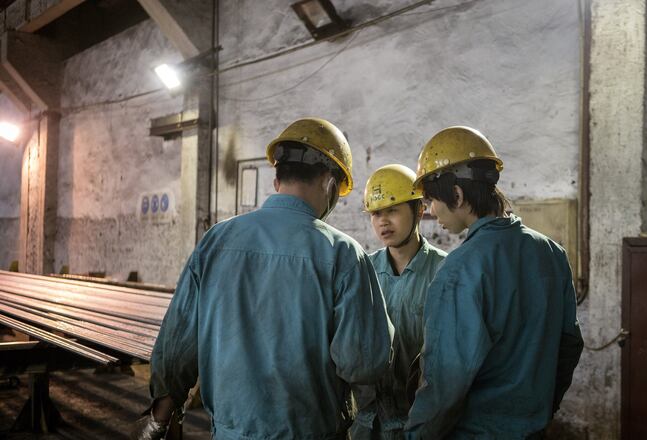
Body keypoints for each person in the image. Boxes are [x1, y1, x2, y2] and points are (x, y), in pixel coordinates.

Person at [131, 118, 394, 440]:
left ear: (276, 179)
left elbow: (177, 345)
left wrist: (162, 414)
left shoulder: (216, 241)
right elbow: (363, 363)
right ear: (329, 182)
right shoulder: (344, 253)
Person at [404, 126, 584, 439]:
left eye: (432, 200)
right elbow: (569, 345)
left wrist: (416, 434)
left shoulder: (458, 270)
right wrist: (540, 411)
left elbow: (445, 382)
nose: (430, 210)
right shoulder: (552, 253)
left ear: (457, 195)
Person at [350, 164, 447, 440]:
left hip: (419, 423)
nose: (383, 221)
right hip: (367, 423)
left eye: (392, 210)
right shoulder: (364, 269)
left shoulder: (444, 271)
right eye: (376, 213)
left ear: (419, 210)